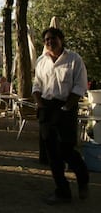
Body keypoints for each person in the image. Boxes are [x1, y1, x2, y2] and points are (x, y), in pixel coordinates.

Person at [32, 27, 89, 205]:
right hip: (47, 107)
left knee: (66, 148)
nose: (50, 42)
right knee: (52, 153)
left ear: (61, 39)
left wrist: (66, 108)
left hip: (66, 107)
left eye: (53, 38)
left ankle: (83, 177)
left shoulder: (74, 59)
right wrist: (41, 105)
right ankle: (62, 191)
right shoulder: (41, 61)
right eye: (47, 40)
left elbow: (79, 87)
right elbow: (36, 87)